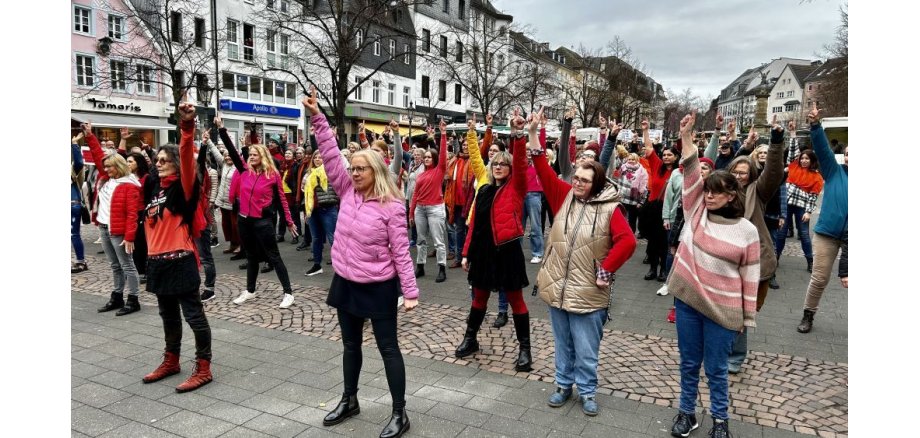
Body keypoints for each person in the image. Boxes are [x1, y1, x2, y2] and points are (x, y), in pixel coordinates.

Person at [304, 88, 418, 438]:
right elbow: (330, 155)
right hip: (347, 280)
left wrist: (410, 291)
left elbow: (401, 250)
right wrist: (318, 118)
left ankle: (400, 414)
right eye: (352, 168)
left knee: (388, 349)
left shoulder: (392, 206)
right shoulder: (347, 190)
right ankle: (349, 399)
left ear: (376, 171)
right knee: (350, 345)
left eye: (360, 169)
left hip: (380, 285)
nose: (353, 173)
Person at [528, 107, 637, 417]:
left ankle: (587, 391)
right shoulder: (563, 195)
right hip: (557, 286)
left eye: (585, 180)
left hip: (589, 291)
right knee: (562, 344)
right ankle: (563, 384)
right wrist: (534, 132)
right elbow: (542, 166)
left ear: (597, 183)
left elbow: (627, 241)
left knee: (587, 350)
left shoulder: (609, 208)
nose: (577, 183)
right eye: (575, 178)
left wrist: (606, 269)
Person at [668, 111, 760, 438]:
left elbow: (750, 280)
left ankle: (721, 420)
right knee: (689, 364)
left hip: (724, 311)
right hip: (689, 304)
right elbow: (692, 172)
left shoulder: (747, 232)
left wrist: (746, 320)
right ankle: (686, 413)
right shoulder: (696, 212)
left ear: (731, 195)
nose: (708, 196)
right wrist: (688, 136)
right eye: (707, 191)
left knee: (717, 370)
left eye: (716, 192)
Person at [140, 96, 214, 393]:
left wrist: (186, 126)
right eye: (156, 161)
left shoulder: (184, 190)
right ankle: (171, 360)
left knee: (194, 315)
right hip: (158, 263)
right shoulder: (155, 189)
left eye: (163, 160)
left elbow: (187, 156)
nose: (157, 164)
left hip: (181, 261)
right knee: (167, 315)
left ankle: (204, 367)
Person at [456, 108, 533, 373]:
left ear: (510, 169)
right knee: (478, 299)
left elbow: (521, 162)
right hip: (483, 253)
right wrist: (466, 253)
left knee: (516, 301)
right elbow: (475, 225)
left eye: (503, 163)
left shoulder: (517, 187)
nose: (498, 166)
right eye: (495, 163)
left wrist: (518, 134)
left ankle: (525, 350)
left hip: (508, 251)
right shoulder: (485, 190)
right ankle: (470, 338)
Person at [716, 115, 785, 375]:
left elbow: (775, 171)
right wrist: (737, 143)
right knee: (725, 308)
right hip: (726, 260)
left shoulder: (759, 190)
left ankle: (736, 354)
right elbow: (717, 167)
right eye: (736, 171)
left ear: (751, 173)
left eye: (744, 171)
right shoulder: (722, 192)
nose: (739, 175)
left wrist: (776, 139)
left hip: (755, 261)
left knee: (744, 310)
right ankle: (721, 348)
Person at [217, 115, 299, 309]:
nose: (250, 157)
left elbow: (281, 202)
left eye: (254, 154)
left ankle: (288, 293)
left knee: (274, 256)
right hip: (244, 221)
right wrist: (221, 129)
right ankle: (250, 290)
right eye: (250, 154)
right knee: (251, 256)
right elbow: (232, 151)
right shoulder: (244, 171)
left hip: (263, 222)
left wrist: (289, 221)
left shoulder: (273, 176)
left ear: (262, 156)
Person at [797, 103, 848, 334]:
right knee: (819, 279)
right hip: (827, 234)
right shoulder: (835, 172)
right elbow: (823, 150)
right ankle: (808, 314)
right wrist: (815, 125)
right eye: (848, 154)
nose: (850, 157)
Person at [85, 122, 143, 316]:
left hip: (119, 231)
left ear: (118, 166)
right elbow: (97, 155)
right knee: (114, 265)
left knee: (128, 265)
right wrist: (89, 136)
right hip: (104, 227)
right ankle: (117, 296)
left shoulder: (130, 185)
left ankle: (133, 299)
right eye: (106, 167)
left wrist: (130, 237)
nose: (106, 170)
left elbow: (132, 214)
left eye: (110, 167)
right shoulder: (110, 178)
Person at [639, 118, 680, 282]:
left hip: (670, 211)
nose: (666, 157)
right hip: (654, 209)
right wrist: (645, 130)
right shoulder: (657, 166)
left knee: (665, 241)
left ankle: (664, 269)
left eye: (670, 155)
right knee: (654, 241)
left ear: (677, 157)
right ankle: (652, 268)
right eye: (664, 155)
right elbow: (649, 148)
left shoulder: (679, 172)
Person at [409, 120, 450, 282]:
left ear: (433, 158)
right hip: (420, 209)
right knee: (421, 239)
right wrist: (411, 213)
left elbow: (443, 155)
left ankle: (442, 268)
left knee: (439, 241)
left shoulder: (439, 170)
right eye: (424, 157)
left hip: (435, 209)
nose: (426, 159)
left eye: (428, 157)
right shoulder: (421, 175)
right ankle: (420, 266)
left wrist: (443, 133)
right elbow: (415, 195)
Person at [776, 149, 823, 273]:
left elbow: (813, 197)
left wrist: (808, 212)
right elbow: (792, 152)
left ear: (812, 160)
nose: (803, 160)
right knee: (781, 234)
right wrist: (792, 133)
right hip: (786, 205)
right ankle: (775, 259)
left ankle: (810, 261)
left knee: (804, 235)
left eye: (807, 158)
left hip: (801, 206)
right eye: (802, 158)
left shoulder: (816, 176)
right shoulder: (794, 166)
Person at [303, 150, 339, 276]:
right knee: (316, 238)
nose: (317, 159)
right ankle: (317, 265)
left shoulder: (330, 172)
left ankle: (339, 267)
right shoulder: (308, 174)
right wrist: (306, 212)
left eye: (320, 157)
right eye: (315, 158)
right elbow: (306, 194)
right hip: (313, 211)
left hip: (328, 209)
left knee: (333, 238)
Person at [127, 152, 151, 285]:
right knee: (133, 243)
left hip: (142, 213)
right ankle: (135, 269)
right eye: (127, 161)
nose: (128, 164)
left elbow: (149, 197)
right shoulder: (126, 177)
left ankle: (144, 271)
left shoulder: (146, 178)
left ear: (138, 163)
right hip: (130, 213)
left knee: (142, 243)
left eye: (130, 161)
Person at [72, 130, 89, 273]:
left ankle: (81, 261)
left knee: (74, 234)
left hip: (73, 204)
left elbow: (79, 162)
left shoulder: (74, 173)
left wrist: (74, 144)